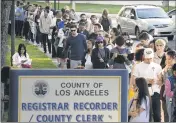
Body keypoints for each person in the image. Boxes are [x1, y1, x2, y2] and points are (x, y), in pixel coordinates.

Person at [133, 48, 162, 122]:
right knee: (145, 115)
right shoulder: (138, 66)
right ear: (144, 57)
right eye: (147, 58)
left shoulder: (157, 66)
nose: (149, 60)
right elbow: (134, 81)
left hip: (155, 92)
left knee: (157, 116)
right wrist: (146, 81)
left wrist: (156, 81)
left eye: (151, 58)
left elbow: (161, 81)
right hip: (143, 93)